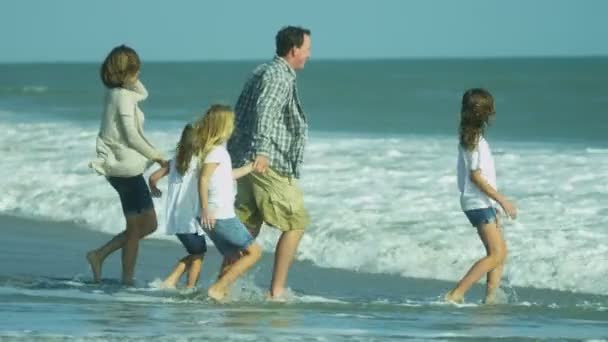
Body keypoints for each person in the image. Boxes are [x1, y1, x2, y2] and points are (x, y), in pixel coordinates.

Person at [227, 26, 311, 299]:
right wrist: (262, 152)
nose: (309, 55)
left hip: (246, 159)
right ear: (294, 49)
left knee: (248, 226)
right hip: (266, 161)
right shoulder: (278, 76)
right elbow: (266, 113)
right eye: (307, 49)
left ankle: (223, 285)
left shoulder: (263, 71)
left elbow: (240, 113)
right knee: (296, 222)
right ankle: (276, 291)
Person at [87, 45, 167, 286]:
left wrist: (132, 77)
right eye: (135, 69)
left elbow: (142, 93)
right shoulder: (121, 97)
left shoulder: (119, 93)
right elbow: (131, 135)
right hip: (124, 169)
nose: (139, 73)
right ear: (125, 71)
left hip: (124, 167)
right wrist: (158, 156)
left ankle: (99, 255)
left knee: (147, 225)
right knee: (136, 227)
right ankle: (126, 281)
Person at [445, 88, 517, 304]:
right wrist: (502, 200)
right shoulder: (474, 138)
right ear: (486, 111)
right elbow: (475, 176)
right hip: (478, 201)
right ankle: (456, 294)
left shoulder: (471, 135)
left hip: (480, 201)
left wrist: (493, 203)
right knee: (496, 254)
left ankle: (490, 299)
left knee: (500, 252)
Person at [148, 123, 207, 289]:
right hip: (191, 219)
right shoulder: (200, 163)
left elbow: (152, 178)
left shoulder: (174, 162)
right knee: (198, 254)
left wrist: (155, 190)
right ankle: (187, 287)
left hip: (175, 218)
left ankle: (176, 281)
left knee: (196, 253)